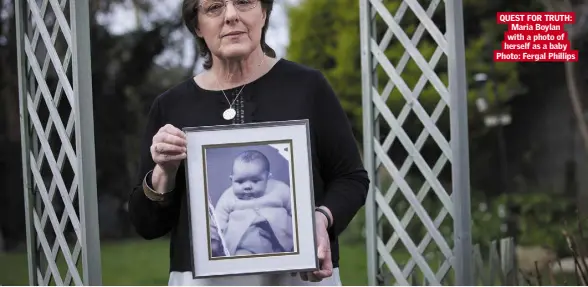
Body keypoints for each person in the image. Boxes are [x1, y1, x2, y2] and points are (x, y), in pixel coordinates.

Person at [128, 0, 370, 285]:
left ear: (264, 12)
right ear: (197, 26)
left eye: (244, 2)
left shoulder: (308, 87)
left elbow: (351, 178)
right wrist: (163, 173)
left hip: (299, 278)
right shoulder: (171, 106)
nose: (231, 16)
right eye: (214, 7)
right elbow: (147, 225)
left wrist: (320, 219)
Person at [209, 149, 293, 258]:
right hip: (243, 244)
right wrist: (214, 241)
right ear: (232, 179)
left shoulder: (280, 189)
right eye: (240, 181)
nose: (247, 186)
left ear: (267, 178)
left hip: (280, 241)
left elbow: (297, 211)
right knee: (241, 257)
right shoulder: (228, 196)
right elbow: (217, 221)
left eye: (255, 181)